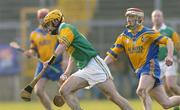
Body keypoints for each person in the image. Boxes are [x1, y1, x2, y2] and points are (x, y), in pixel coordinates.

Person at [42, 9, 133, 110]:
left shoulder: (66, 28)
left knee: (113, 97)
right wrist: (67, 72)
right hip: (84, 69)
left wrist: (50, 61)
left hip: (94, 65)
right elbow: (72, 54)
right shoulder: (62, 34)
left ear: (55, 21)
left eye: (49, 24)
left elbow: (62, 46)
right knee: (65, 91)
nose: (48, 28)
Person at [104, 8, 180, 110]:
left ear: (139, 19)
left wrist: (170, 56)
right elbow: (112, 55)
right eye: (127, 17)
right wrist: (101, 65)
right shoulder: (123, 36)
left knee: (141, 90)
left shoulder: (148, 32)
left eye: (131, 17)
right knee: (166, 103)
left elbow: (168, 41)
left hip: (150, 67)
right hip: (140, 71)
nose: (128, 19)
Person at [23, 8, 64, 110]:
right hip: (43, 65)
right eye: (40, 17)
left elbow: (64, 45)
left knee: (65, 89)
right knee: (38, 90)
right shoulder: (34, 33)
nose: (42, 19)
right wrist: (30, 53)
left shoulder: (56, 31)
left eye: (44, 17)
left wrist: (66, 60)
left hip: (56, 64)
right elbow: (33, 49)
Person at [151, 9, 180, 110]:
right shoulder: (150, 33)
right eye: (155, 16)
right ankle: (175, 106)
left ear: (162, 18)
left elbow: (178, 45)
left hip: (170, 60)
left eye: (159, 16)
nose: (157, 18)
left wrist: (177, 57)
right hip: (157, 63)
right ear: (152, 19)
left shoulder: (169, 31)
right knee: (165, 88)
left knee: (171, 85)